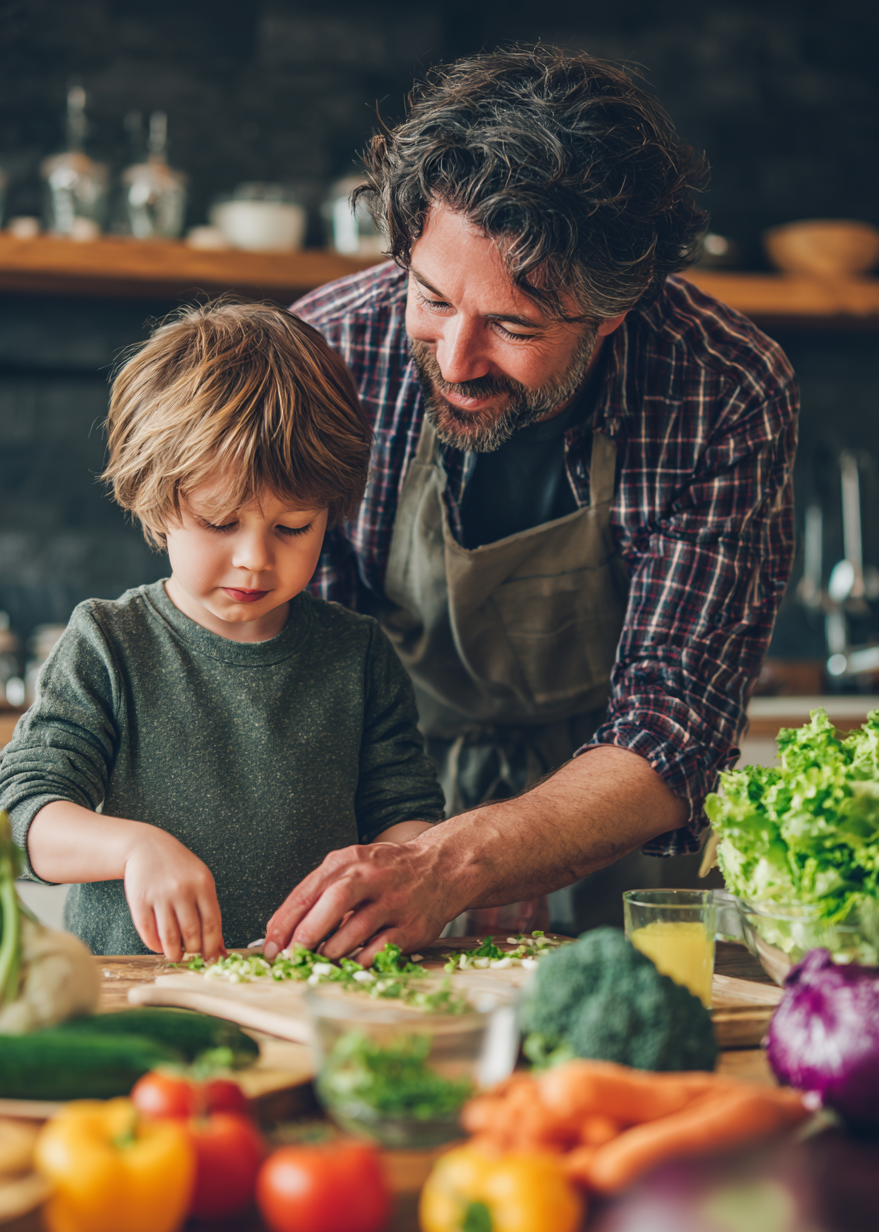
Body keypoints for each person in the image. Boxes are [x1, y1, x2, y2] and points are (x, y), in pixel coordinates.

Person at [262, 46, 798, 964]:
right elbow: (306, 669)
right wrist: (423, 846)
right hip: (379, 819)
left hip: (613, 826)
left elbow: (673, 720)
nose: (458, 358)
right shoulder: (329, 352)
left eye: (514, 326)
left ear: (615, 309)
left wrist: (482, 856)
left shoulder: (725, 387)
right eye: (431, 299)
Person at [0, 301, 445, 958]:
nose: (256, 559)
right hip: (138, 1003)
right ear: (156, 500)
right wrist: (134, 846)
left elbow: (407, 823)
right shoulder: (108, 645)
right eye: (220, 522)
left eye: (293, 528)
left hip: (309, 997)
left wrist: (406, 881)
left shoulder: (358, 655)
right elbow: (18, 820)